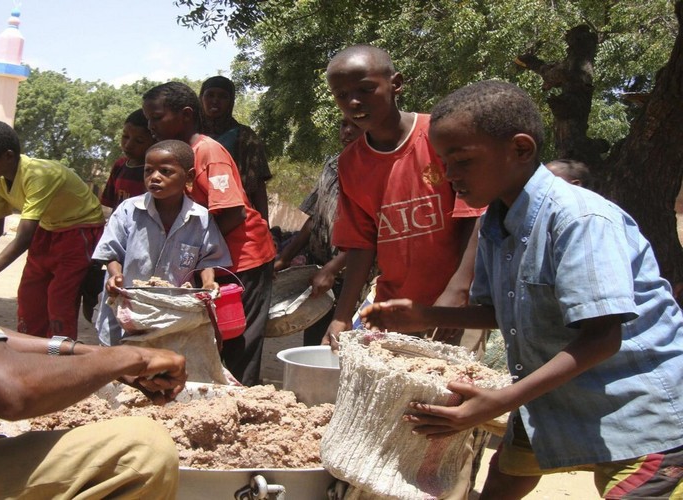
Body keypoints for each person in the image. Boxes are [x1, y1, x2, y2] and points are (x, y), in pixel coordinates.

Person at [0, 52, 185, 499]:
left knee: (55, 309)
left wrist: (81, 354)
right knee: (142, 451)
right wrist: (127, 358)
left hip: (71, 239)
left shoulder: (35, 176)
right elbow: (9, 392)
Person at [362, 80, 683, 499]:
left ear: (520, 149)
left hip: (637, 413)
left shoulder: (578, 221)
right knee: (502, 484)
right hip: (551, 398)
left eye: (461, 160)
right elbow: (507, 310)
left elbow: (603, 337)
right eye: (443, 161)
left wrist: (499, 401)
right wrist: (427, 315)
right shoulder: (497, 221)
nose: (449, 176)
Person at [322, 45, 486, 356]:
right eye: (341, 95)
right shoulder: (350, 164)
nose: (353, 102)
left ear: (396, 83)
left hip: (457, 307)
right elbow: (360, 244)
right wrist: (341, 317)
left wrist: (457, 291)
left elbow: (476, 215)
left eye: (365, 89)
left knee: (450, 394)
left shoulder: (439, 137)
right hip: (395, 309)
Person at [143, 82, 277, 386]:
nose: (150, 126)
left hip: (245, 259)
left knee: (239, 340)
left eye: (157, 118)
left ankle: (243, 409)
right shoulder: (173, 157)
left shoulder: (207, 152)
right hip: (212, 263)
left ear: (186, 115)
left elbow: (233, 212)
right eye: (148, 119)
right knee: (208, 337)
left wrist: (192, 251)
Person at [0, 120, 105, 339]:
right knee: (30, 295)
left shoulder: (40, 174)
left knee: (60, 298)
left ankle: (60, 357)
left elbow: (23, 238)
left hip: (79, 230)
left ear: (8, 156)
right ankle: (32, 351)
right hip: (47, 229)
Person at [93, 139, 232, 346]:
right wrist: (116, 276)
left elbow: (208, 258)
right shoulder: (128, 210)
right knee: (119, 367)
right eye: (148, 171)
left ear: (189, 176)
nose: (154, 177)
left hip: (170, 314)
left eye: (166, 171)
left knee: (162, 366)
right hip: (126, 309)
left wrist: (208, 283)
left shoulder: (200, 218)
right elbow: (111, 251)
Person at [274, 118, 364, 345]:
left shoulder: (378, 171)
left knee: (345, 344)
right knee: (315, 344)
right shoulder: (332, 167)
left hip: (355, 275)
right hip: (320, 271)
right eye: (343, 125)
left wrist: (334, 267)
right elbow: (314, 220)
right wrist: (284, 258)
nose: (348, 131)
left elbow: (372, 236)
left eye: (356, 125)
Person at [200, 76, 272, 220]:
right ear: (201, 98)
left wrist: (265, 225)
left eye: (222, 96)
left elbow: (257, 184)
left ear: (231, 102)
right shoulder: (189, 133)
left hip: (233, 215)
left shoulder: (245, 136)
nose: (215, 100)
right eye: (210, 95)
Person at [100, 108, 156, 215]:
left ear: (155, 140)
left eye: (139, 141)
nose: (128, 145)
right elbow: (112, 206)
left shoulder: (155, 171)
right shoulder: (119, 165)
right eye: (125, 136)